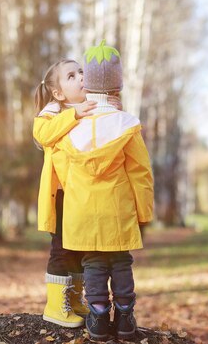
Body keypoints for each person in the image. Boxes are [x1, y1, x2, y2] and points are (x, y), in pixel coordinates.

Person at [52, 41, 154, 340]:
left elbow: (64, 171)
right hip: (117, 208)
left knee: (93, 262)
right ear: (117, 85)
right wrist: (144, 212)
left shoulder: (72, 127)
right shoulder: (126, 124)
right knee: (121, 261)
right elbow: (140, 173)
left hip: (83, 210)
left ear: (90, 85)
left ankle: (97, 317)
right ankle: (124, 316)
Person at [33, 58, 121, 327]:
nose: (81, 76)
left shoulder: (91, 103)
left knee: (78, 247)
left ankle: (73, 301)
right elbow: (42, 133)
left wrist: (113, 109)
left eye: (81, 71)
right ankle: (54, 307)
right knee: (60, 248)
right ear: (59, 92)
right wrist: (74, 114)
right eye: (71, 76)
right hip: (60, 194)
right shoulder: (54, 109)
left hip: (82, 194)